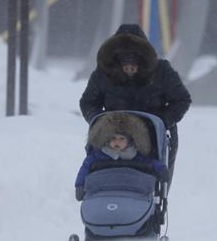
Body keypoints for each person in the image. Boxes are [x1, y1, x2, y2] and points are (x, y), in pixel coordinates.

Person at [79, 23, 191, 176]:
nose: (129, 65)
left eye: (134, 57)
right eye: (124, 58)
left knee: (156, 181)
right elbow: (88, 102)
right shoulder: (103, 73)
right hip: (114, 137)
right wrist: (102, 124)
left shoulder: (162, 71)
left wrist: (160, 123)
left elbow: (181, 100)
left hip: (155, 140)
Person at [75, 111, 167, 201]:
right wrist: (80, 185)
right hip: (104, 190)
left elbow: (151, 162)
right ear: (106, 139)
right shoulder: (98, 154)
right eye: (113, 138)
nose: (117, 142)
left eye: (121, 139)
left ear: (130, 141)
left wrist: (161, 169)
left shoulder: (136, 155)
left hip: (132, 192)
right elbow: (85, 169)